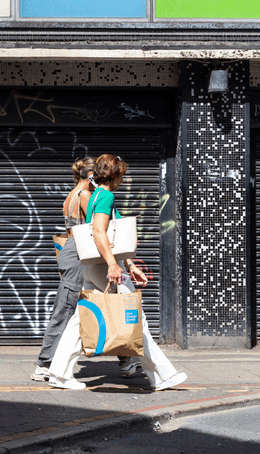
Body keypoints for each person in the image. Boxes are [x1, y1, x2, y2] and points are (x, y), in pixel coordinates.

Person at [47, 154, 188, 392]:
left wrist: (131, 266)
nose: (123, 179)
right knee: (136, 317)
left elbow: (114, 235)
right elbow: (99, 232)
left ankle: (58, 373)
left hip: (93, 266)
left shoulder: (95, 196)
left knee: (81, 318)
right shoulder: (106, 196)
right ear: (115, 175)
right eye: (122, 174)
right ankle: (162, 375)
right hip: (104, 267)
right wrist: (114, 265)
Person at [30, 157, 96, 383]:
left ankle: (127, 358)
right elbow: (94, 228)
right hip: (78, 255)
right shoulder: (85, 196)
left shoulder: (71, 195)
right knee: (65, 309)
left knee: (96, 304)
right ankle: (44, 364)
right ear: (91, 177)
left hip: (72, 252)